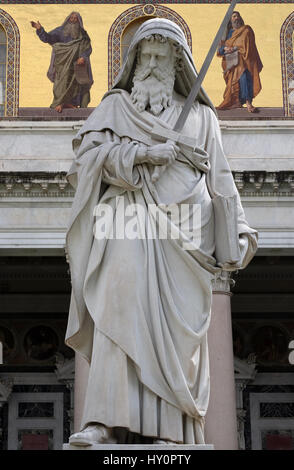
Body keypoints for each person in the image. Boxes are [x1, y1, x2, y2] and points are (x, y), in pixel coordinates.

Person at [65, 19, 257, 446]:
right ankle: (102, 422)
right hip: (125, 225)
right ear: (133, 62)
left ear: (177, 63)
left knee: (176, 339)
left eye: (161, 56)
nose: (151, 65)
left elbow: (220, 177)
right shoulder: (115, 108)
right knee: (117, 310)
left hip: (187, 237)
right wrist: (143, 154)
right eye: (145, 56)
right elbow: (82, 166)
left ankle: (174, 433)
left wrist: (239, 228)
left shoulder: (204, 117)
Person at [31, 12, 93, 113]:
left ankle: (70, 103)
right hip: (62, 62)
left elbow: (88, 47)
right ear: (68, 19)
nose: (73, 20)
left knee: (76, 83)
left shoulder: (83, 34)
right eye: (71, 18)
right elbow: (48, 38)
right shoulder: (60, 31)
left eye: (75, 18)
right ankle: (59, 102)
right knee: (61, 82)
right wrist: (40, 29)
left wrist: (83, 57)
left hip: (76, 64)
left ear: (79, 21)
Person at [217, 11, 263, 113]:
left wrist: (235, 48)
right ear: (230, 20)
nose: (236, 18)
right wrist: (225, 49)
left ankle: (248, 103)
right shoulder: (228, 33)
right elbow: (220, 50)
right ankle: (236, 102)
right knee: (234, 82)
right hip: (231, 62)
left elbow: (249, 46)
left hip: (245, 60)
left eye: (237, 16)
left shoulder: (246, 30)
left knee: (244, 78)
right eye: (233, 17)